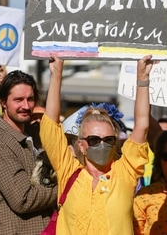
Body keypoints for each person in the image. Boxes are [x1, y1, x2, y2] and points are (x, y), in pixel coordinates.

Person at [40, 54, 154, 234]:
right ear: (81, 145)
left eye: (108, 139)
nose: (102, 144)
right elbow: (50, 124)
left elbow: (142, 125)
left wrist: (143, 79)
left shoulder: (125, 172)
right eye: (93, 139)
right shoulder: (68, 170)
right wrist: (56, 74)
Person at [0, 70, 57, 234]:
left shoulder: (28, 134)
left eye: (30, 99)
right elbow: (23, 199)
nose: (26, 106)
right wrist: (66, 188)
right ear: (3, 103)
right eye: (18, 100)